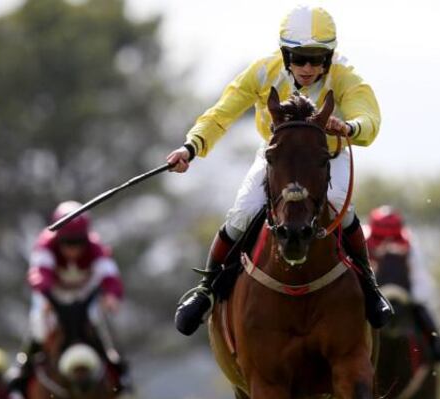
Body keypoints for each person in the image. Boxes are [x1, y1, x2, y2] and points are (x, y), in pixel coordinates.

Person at [167, 5, 392, 336]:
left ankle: (370, 288)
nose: (308, 68)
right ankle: (207, 289)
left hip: (326, 157)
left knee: (340, 207)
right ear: (285, 55)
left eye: (317, 59)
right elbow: (221, 114)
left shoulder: (345, 75)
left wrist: (349, 127)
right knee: (243, 212)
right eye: (299, 59)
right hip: (279, 157)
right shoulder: (262, 71)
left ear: (329, 56)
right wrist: (191, 147)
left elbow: (369, 118)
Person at [8, 201, 130, 395]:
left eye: (79, 242)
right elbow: (39, 274)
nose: (73, 249)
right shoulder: (45, 244)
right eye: (67, 242)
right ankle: (22, 369)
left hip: (83, 294)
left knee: (98, 325)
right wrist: (47, 296)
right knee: (39, 327)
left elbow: (110, 275)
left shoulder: (96, 248)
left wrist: (112, 296)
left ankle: (117, 370)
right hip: (52, 294)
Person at [365, 206, 440, 365]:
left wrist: (412, 298)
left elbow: (421, 282)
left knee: (421, 311)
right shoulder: (360, 238)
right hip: (369, 294)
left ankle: (438, 346)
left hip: (403, 298)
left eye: (391, 239)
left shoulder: (411, 245)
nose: (387, 243)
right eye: (381, 238)